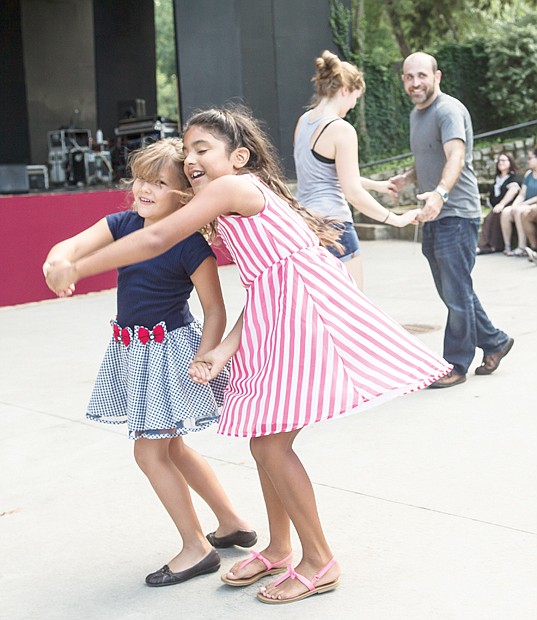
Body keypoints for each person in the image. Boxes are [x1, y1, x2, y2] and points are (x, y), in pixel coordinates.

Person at [45, 105, 451, 605]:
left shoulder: (232, 187)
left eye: (202, 149)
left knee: (270, 446)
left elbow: (155, 238)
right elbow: (263, 283)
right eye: (187, 150)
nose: (191, 159)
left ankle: (319, 559)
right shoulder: (226, 199)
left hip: (305, 313)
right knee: (263, 437)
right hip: (275, 312)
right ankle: (280, 547)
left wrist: (78, 268)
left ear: (238, 156)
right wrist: (224, 348)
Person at [42, 138, 256, 588]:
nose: (143, 189)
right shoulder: (121, 224)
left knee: (149, 450)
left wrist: (208, 353)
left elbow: (214, 309)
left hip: (168, 356)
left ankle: (197, 547)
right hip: (132, 351)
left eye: (159, 183)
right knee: (172, 447)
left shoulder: (191, 247)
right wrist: (58, 260)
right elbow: (71, 247)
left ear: (185, 196)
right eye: (140, 178)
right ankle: (232, 521)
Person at [391, 52, 514, 388]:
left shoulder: (448, 110)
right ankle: (495, 340)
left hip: (456, 212)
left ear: (437, 76)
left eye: (422, 76)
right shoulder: (417, 115)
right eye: (408, 76)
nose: (415, 83)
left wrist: (440, 193)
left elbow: (455, 156)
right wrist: (407, 178)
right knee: (453, 290)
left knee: (456, 291)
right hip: (435, 212)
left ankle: (455, 364)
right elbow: (429, 157)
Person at [294, 49, 420, 290]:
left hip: (305, 227)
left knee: (319, 309)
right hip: (336, 228)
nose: (353, 105)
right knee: (352, 310)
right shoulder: (341, 130)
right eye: (355, 98)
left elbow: (327, 174)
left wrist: (377, 186)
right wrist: (396, 219)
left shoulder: (304, 122)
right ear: (344, 90)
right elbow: (352, 193)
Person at [477, 152, 520, 254]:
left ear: (510, 162)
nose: (500, 163)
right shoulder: (497, 179)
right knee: (488, 218)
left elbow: (513, 191)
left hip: (509, 205)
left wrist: (501, 204)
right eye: (499, 161)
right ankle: (486, 245)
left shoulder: (514, 177)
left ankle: (492, 246)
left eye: (504, 160)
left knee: (494, 217)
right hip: (496, 206)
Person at [501, 147, 537, 256]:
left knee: (519, 210)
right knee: (506, 211)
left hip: (531, 205)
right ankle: (507, 246)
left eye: (530, 158)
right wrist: (515, 204)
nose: (528, 160)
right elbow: (522, 194)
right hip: (524, 204)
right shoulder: (528, 174)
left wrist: (522, 205)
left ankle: (522, 247)